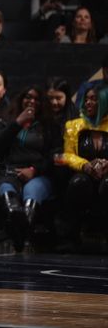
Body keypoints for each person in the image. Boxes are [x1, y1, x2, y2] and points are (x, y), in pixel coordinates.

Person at [0, 85, 60, 250]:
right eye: (28, 97)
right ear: (21, 100)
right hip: (10, 172)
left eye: (36, 99)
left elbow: (54, 156)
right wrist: (17, 123)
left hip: (37, 174)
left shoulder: (50, 126)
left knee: (32, 195)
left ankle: (20, 239)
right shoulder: (6, 121)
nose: (32, 101)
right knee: (9, 196)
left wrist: (34, 170)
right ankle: (20, 239)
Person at [56, 85, 108, 248]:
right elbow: (66, 155)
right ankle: (70, 236)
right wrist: (85, 165)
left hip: (106, 174)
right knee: (79, 183)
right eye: (86, 99)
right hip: (83, 172)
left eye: (94, 99)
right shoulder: (73, 126)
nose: (88, 103)